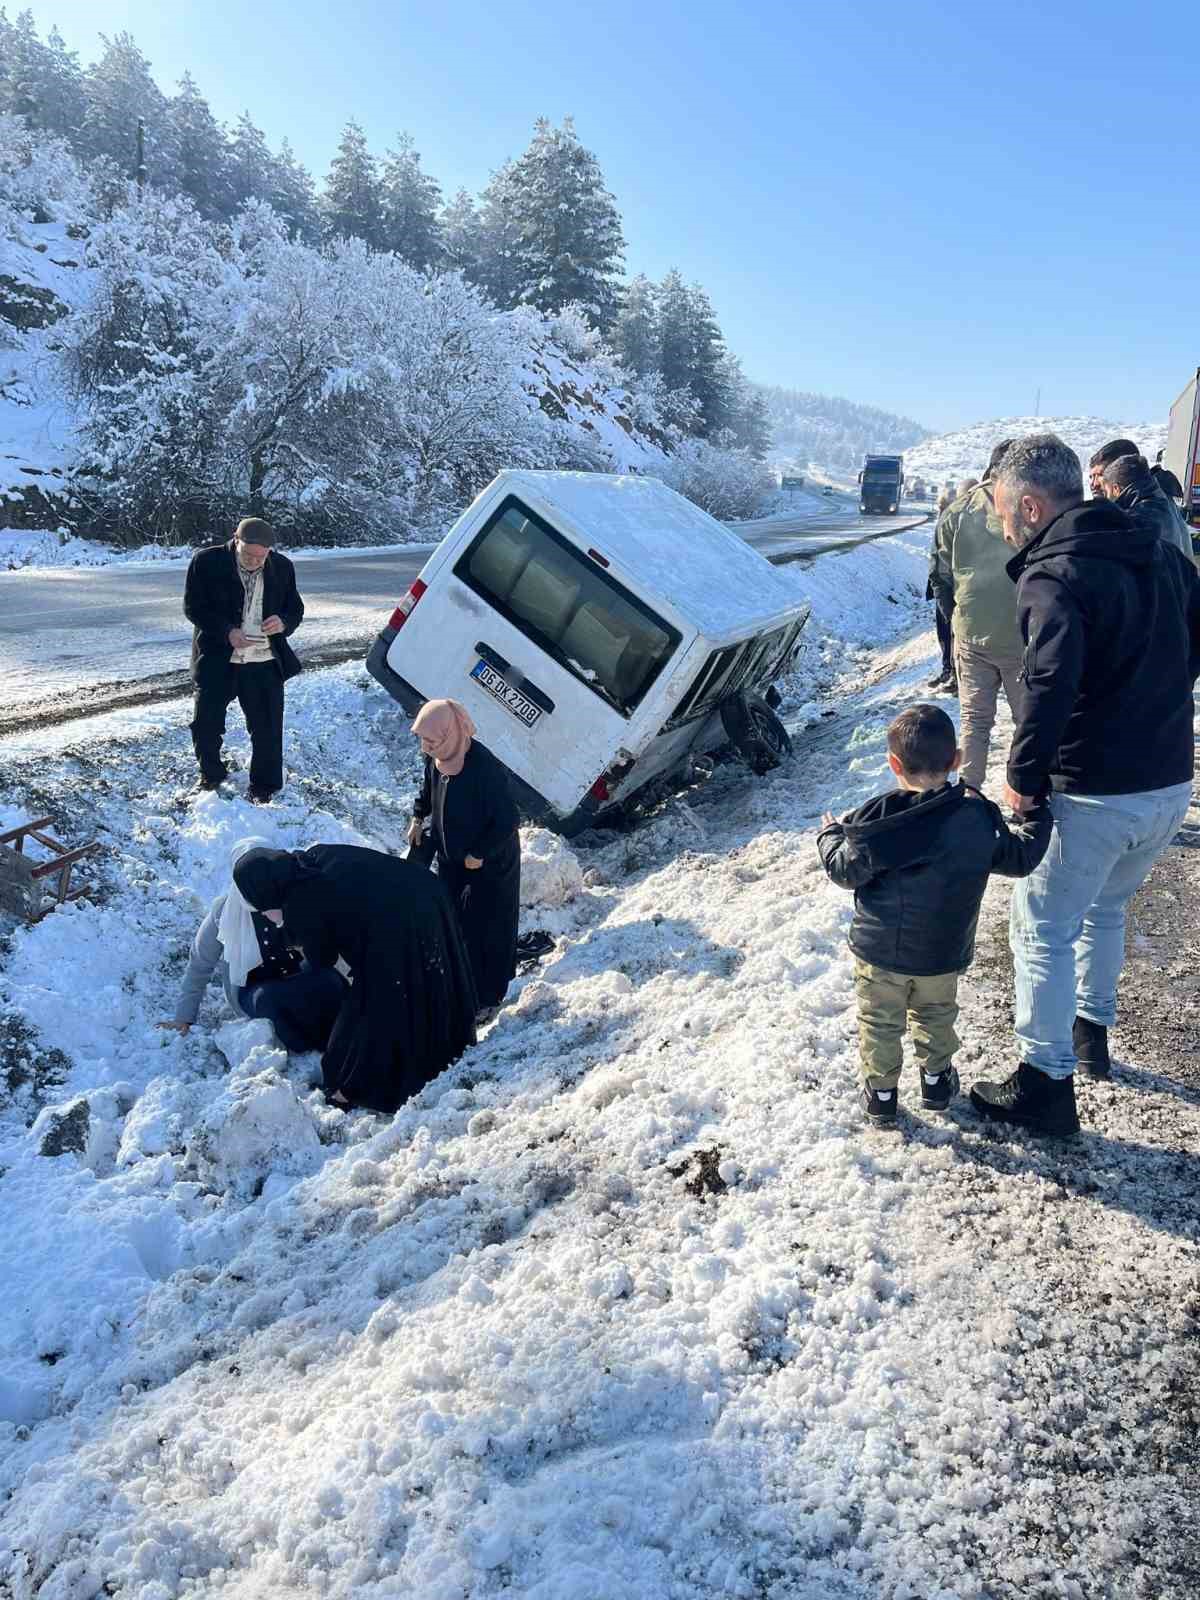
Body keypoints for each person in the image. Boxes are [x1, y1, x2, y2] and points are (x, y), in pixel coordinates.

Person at [973, 433, 1200, 1135]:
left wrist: (1021, 778)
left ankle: (1044, 1085)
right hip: (1167, 784)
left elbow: (1048, 684)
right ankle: (1089, 1034)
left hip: (1094, 792)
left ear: (1034, 506)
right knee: (1105, 910)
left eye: (1008, 516)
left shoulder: (1055, 574)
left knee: (1041, 927)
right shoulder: (1160, 550)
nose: (1006, 529)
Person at [817, 704, 1050, 1129]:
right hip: (942, 953)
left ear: (893, 764)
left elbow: (844, 870)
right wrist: (1038, 817)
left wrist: (830, 835)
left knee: (880, 1023)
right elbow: (1019, 859)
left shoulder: (880, 820)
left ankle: (882, 1094)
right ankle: (937, 1081)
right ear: (957, 760)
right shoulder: (976, 817)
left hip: (878, 953)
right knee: (936, 1015)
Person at [234, 843, 477, 1113]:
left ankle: (354, 1085)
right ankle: (449, 1040)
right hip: (426, 892)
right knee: (428, 979)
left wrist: (289, 933)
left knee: (384, 999)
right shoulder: (311, 859)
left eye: (261, 906)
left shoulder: (300, 902)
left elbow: (322, 960)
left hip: (402, 921)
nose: (264, 913)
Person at [160, 837, 346, 1051]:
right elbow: (200, 964)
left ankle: (341, 1040)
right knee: (270, 1000)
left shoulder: (291, 896)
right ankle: (307, 1052)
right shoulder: (224, 911)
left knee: (330, 981)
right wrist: (184, 1018)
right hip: (254, 986)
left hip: (296, 972)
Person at [409, 700, 521, 1023]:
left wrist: (480, 853)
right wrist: (419, 817)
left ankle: (488, 996)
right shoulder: (440, 757)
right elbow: (428, 789)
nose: (426, 748)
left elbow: (508, 819)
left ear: (450, 734)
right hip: (453, 857)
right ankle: (458, 987)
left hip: (489, 862)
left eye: (432, 741)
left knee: (487, 927)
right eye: (424, 741)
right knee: (453, 921)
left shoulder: (484, 768)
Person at [184, 517, 305, 803]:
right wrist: (227, 632)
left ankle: (264, 787)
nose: (254, 561)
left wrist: (284, 622)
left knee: (268, 727)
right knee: (206, 725)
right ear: (235, 540)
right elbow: (193, 608)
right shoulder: (206, 562)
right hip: (218, 659)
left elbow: (295, 609)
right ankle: (211, 776)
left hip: (263, 661)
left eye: (260, 557)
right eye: (248, 555)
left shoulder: (283, 567)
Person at [928, 440, 1020, 790]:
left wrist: (956, 618)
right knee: (1028, 722)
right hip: (1021, 636)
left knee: (974, 721)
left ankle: (968, 796)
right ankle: (1029, 796)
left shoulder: (957, 511)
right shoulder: (1030, 508)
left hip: (971, 635)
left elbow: (940, 576)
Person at [1100, 452, 1194, 560]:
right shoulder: (1161, 502)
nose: (1106, 497)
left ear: (1116, 489)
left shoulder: (1138, 519)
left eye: (1106, 492)